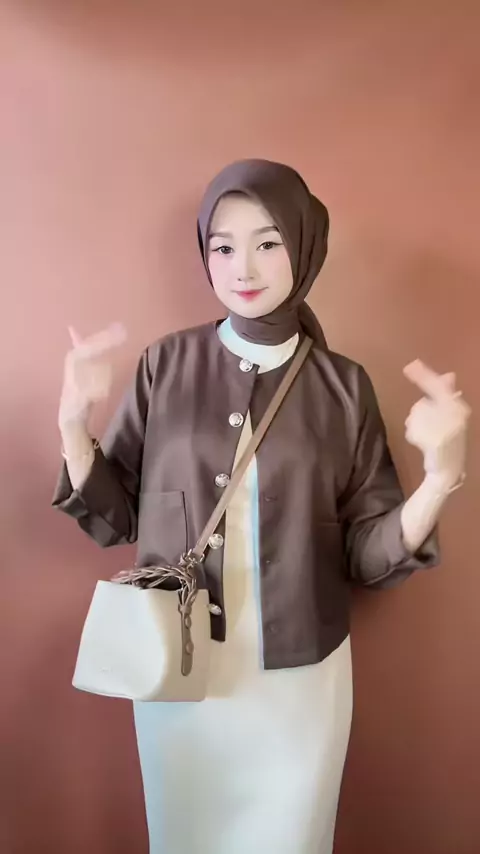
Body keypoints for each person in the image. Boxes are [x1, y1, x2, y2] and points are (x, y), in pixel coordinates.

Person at [53, 159, 470, 854]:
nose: (242, 267)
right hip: (178, 669)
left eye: (268, 242)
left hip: (302, 680)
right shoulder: (165, 366)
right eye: (223, 246)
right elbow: (116, 514)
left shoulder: (344, 387)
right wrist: (73, 424)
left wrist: (439, 479)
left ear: (304, 245)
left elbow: (367, 556)